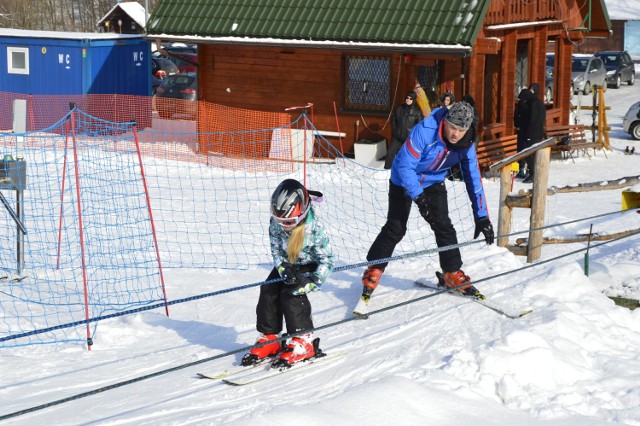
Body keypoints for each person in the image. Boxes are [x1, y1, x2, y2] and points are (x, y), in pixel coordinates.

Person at [360, 102, 494, 305]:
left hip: (433, 181)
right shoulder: (425, 130)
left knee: (444, 225)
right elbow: (405, 167)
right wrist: (419, 198)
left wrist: (482, 216)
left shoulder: (466, 144)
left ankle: (451, 272)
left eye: (461, 130)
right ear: (445, 122)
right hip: (403, 179)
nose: (456, 134)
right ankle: (374, 268)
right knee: (395, 228)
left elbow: (473, 179)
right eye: (453, 128)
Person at [242, 179, 334, 368]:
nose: (284, 226)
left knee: (292, 293)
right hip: (288, 263)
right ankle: (270, 338)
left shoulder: (315, 229)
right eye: (280, 221)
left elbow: (327, 260)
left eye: (289, 222)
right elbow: (275, 248)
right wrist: (282, 267)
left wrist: (314, 280)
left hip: (310, 265)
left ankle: (303, 340)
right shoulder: (277, 224)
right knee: (269, 289)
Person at [514, 83, 546, 183]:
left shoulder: (532, 104)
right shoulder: (539, 103)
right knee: (531, 153)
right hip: (538, 132)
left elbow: (533, 119)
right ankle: (534, 173)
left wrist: (528, 133)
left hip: (532, 133)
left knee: (528, 153)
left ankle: (533, 173)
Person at [385, 91, 424, 169]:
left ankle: (406, 170)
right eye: (407, 98)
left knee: (408, 156)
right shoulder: (399, 108)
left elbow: (419, 126)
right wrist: (395, 130)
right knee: (390, 153)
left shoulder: (417, 111)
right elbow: (393, 120)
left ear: (414, 100)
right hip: (398, 137)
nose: (408, 100)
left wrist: (413, 136)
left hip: (409, 139)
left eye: (410, 98)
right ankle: (387, 170)